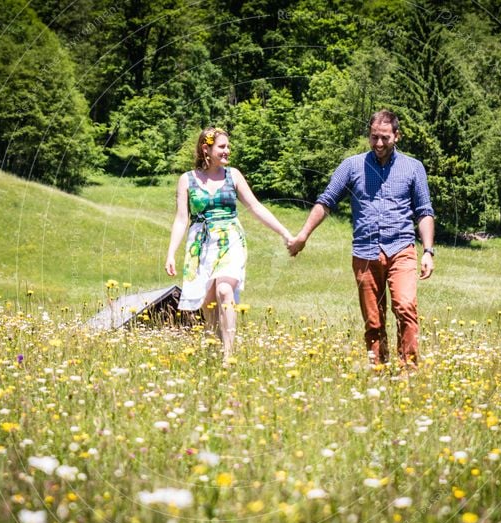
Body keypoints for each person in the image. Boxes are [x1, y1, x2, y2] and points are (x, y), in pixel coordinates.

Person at [287, 109, 435, 370]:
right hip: (365, 252)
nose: (379, 144)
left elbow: (424, 212)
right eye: (374, 137)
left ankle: (408, 372)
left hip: (402, 248)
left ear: (397, 136)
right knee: (374, 320)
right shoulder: (352, 166)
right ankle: (379, 369)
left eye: (385, 138)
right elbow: (326, 200)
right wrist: (303, 235)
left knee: (405, 307)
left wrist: (428, 251)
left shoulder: (413, 167)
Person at [166, 126, 292, 359]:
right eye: (222, 147)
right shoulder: (187, 180)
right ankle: (213, 349)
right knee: (207, 302)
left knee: (225, 290)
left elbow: (255, 207)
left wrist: (284, 233)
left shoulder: (232, 175)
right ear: (206, 149)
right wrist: (171, 253)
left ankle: (228, 356)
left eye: (228, 146)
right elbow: (182, 219)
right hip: (200, 244)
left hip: (230, 240)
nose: (227, 151)